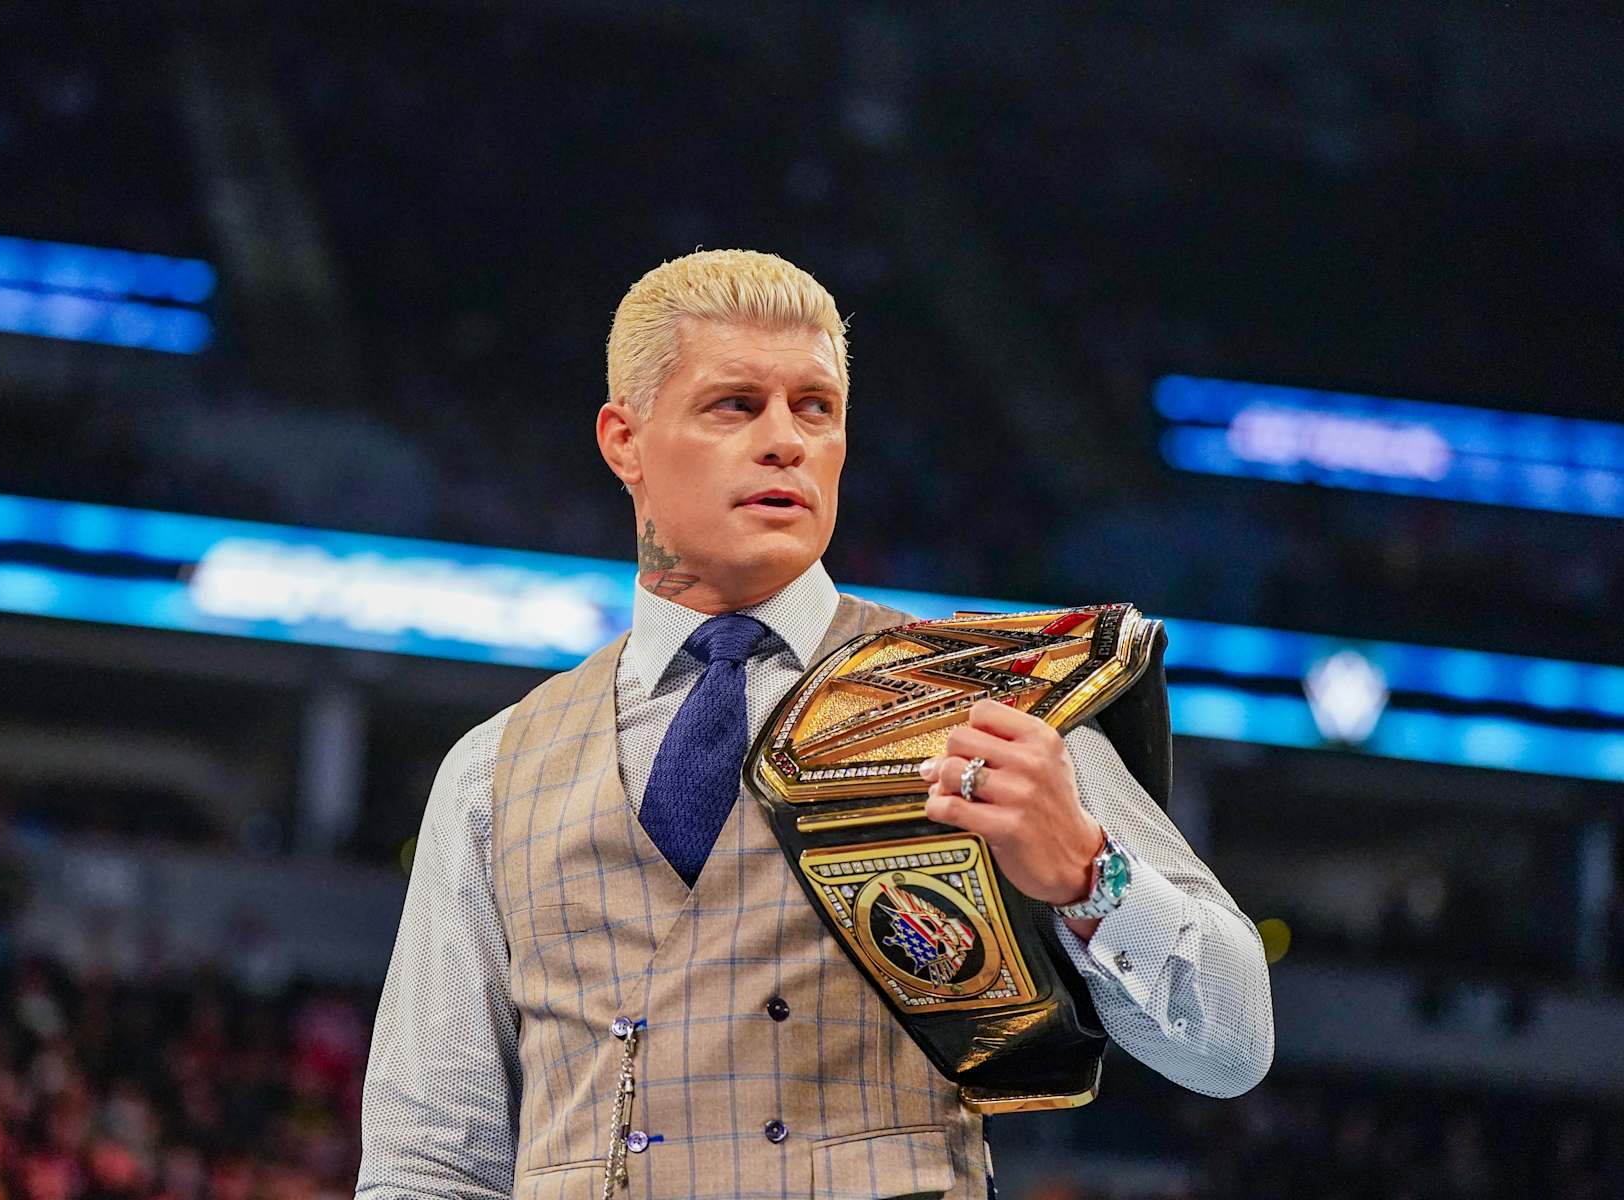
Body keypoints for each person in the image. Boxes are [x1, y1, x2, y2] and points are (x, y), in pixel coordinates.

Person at [357, 249, 1274, 1200]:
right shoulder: (491, 771)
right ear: (623, 439)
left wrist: (1093, 879)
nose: (785, 440)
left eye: (816, 408)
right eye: (735, 405)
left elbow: (1235, 1046)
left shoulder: (985, 699)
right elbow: (427, 1159)